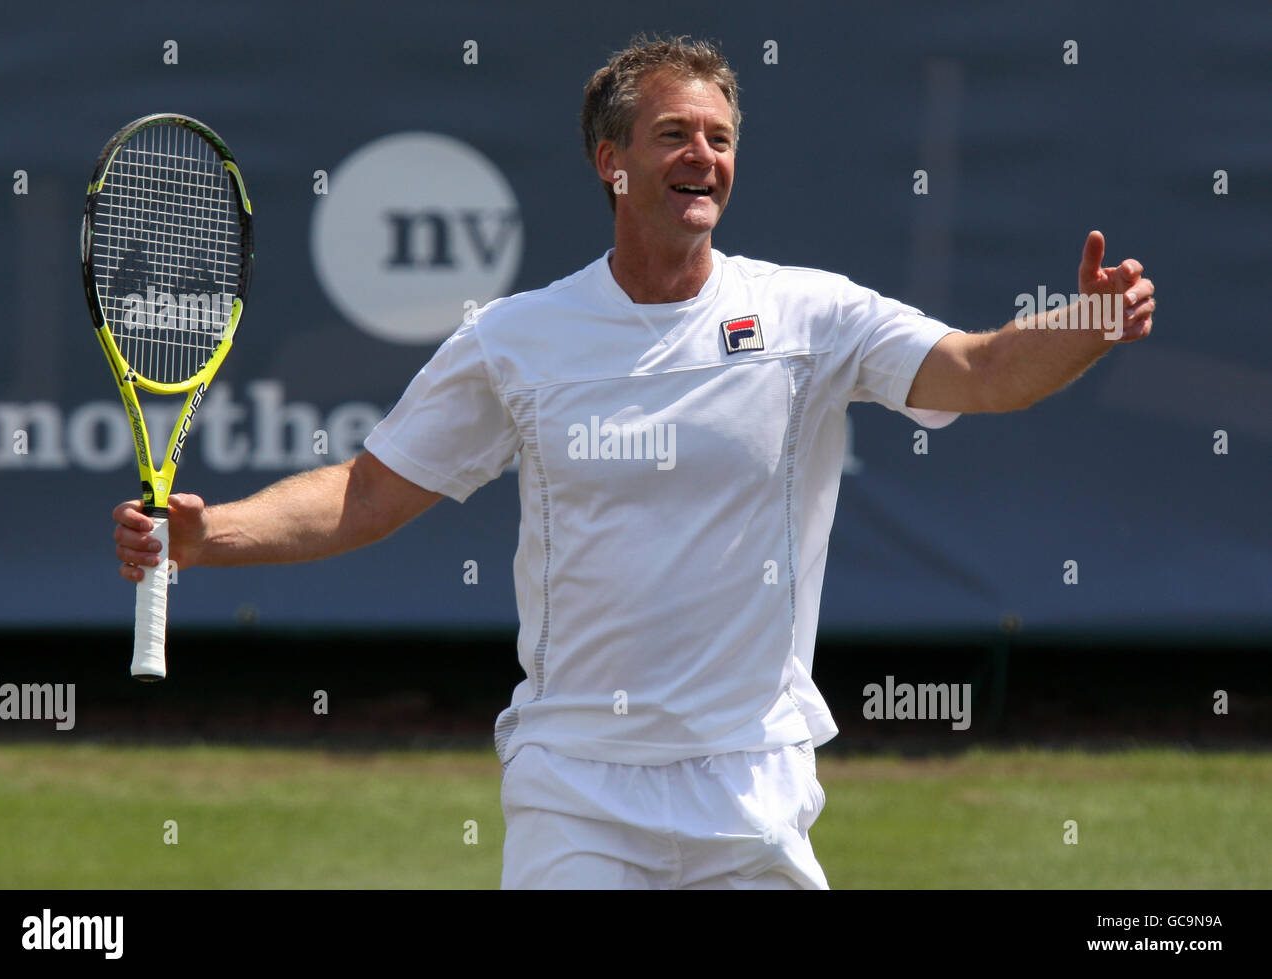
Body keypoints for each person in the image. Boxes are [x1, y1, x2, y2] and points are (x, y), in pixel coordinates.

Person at [112, 35, 1155, 889]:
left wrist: (1087, 325)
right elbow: (367, 491)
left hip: (751, 781)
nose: (702, 156)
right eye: (673, 135)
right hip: (577, 785)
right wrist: (208, 538)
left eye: (719, 136)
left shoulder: (809, 315)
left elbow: (979, 369)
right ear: (611, 162)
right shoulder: (516, 338)